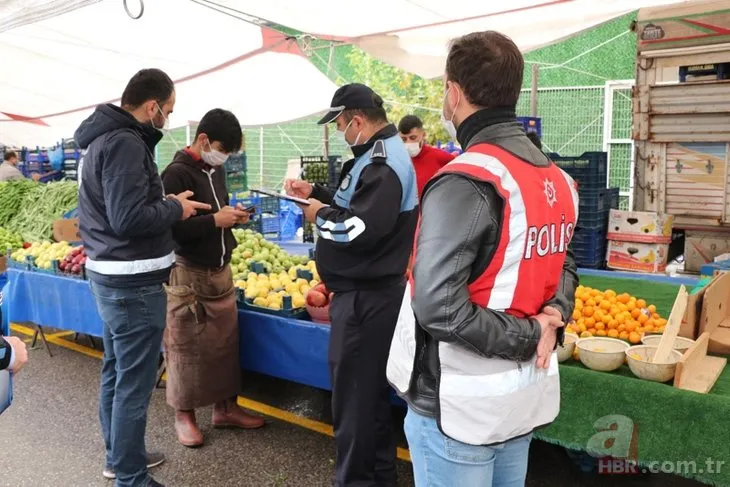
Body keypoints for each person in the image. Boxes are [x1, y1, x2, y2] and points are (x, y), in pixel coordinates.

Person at [387, 31, 580, 487]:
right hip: (519, 400)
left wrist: (531, 332)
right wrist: (555, 314)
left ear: (454, 94)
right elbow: (565, 265)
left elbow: (438, 308)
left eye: (444, 90)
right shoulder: (558, 181)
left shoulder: (466, 179)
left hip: (458, 409)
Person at [75, 68, 210, 487]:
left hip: (113, 276)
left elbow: (123, 206)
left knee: (117, 371)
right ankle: (130, 477)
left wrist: (166, 201)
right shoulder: (124, 144)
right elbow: (128, 218)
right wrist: (175, 210)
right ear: (152, 107)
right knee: (133, 383)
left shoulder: (103, 140)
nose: (167, 120)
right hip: (131, 282)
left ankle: (121, 457)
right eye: (167, 111)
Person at [285, 83, 418, 486]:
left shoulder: (382, 163)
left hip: (366, 300)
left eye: (341, 124)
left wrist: (319, 215)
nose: (341, 132)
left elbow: (359, 227)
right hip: (368, 298)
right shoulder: (374, 157)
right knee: (368, 401)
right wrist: (319, 194)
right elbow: (358, 204)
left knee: (355, 406)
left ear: (357, 120)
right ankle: (376, 477)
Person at [160, 108, 265, 448]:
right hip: (189, 273)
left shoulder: (215, 171)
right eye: (221, 148)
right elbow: (170, 230)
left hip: (221, 271)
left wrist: (233, 217)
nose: (223, 158)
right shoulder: (175, 175)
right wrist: (213, 222)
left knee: (224, 347)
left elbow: (219, 212)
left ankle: (226, 409)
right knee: (185, 348)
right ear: (203, 139)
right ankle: (184, 415)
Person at [398, 115, 456, 198]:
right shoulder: (398, 161)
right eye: (403, 139)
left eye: (413, 137)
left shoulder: (439, 156)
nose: (408, 142)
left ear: (423, 135)